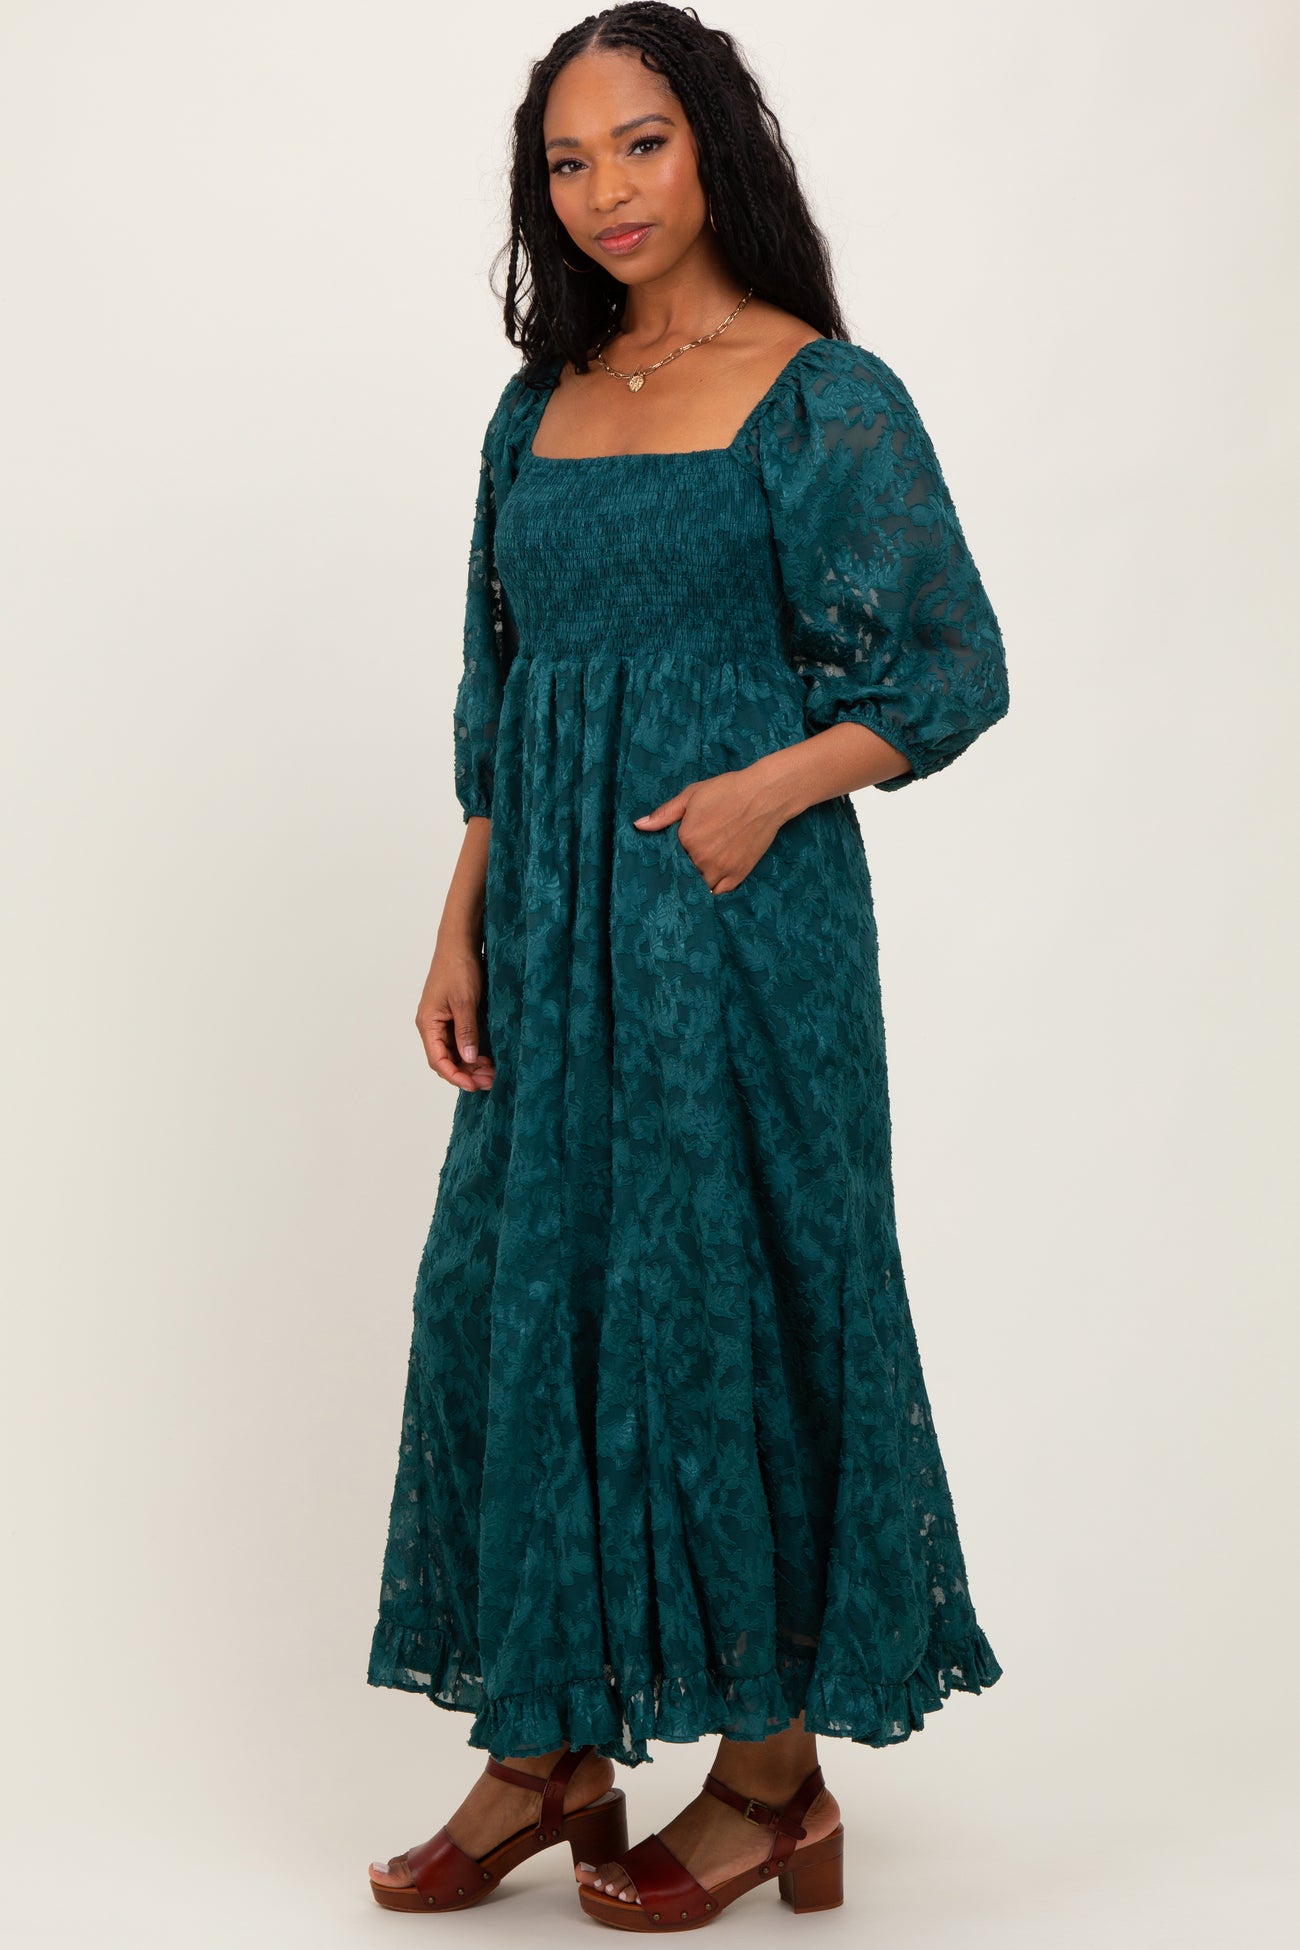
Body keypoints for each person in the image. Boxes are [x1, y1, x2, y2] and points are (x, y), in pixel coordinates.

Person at [366, 2, 1009, 1930]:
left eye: (638, 144)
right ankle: (549, 1745)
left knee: (728, 1290)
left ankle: (772, 1779)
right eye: (567, 163)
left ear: (715, 144)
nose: (606, 192)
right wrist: (462, 914)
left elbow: (952, 665)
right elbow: (503, 694)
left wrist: (769, 789)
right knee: (526, 1288)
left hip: (744, 931)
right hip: (553, 930)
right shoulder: (536, 406)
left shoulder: (821, 394)